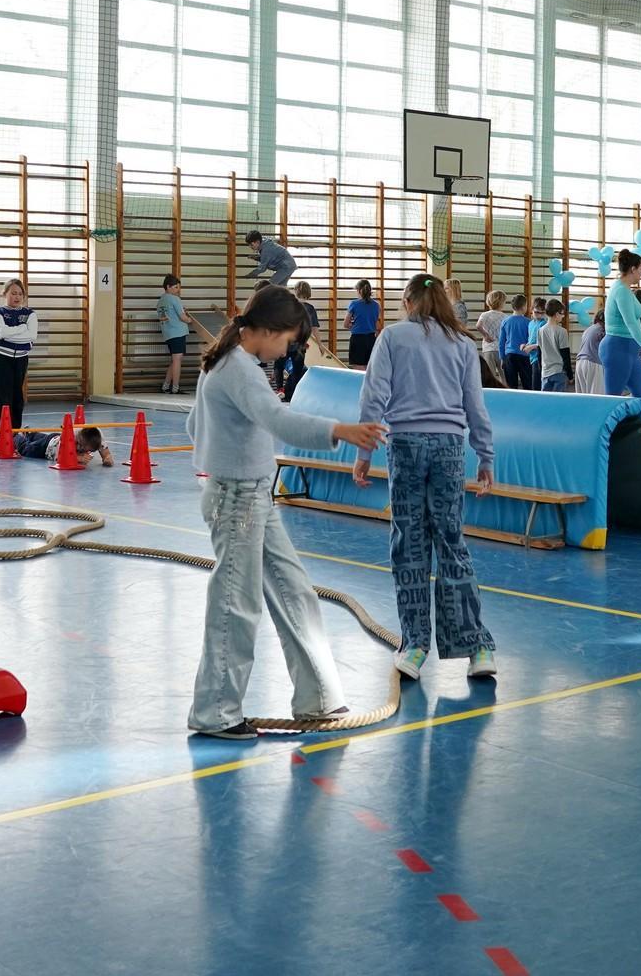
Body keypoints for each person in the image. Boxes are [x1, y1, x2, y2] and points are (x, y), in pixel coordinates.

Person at [187, 285, 384, 739]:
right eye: (288, 340)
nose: (288, 349)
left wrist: (222, 450)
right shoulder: (238, 369)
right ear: (269, 330)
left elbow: (193, 424)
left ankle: (317, 697)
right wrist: (340, 430)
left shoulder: (226, 361)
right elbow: (278, 420)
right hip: (238, 501)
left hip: (252, 495)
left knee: (294, 590)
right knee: (236, 605)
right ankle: (215, 711)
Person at [355, 273, 498, 682]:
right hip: (451, 447)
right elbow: (476, 403)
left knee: (410, 543)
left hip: (406, 446)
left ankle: (416, 645)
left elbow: (374, 395)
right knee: (451, 540)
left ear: (408, 301)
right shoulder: (462, 344)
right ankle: (477, 647)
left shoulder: (393, 338)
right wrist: (486, 454)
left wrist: (364, 451)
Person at [600, 252, 641, 398]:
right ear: (633, 269)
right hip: (617, 348)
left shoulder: (626, 290)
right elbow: (632, 325)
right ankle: (612, 421)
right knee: (613, 398)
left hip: (630, 350)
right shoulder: (621, 291)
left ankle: (634, 421)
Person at [0, 278, 36, 433]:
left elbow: (32, 336)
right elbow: (2, 332)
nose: (17, 297)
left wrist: (11, 334)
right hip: (2, 357)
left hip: (21, 358)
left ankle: (15, 434)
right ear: (5, 294)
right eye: (13, 293)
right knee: (2, 397)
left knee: (17, 397)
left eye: (20, 294)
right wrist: (22, 328)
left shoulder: (30, 314)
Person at [11, 424, 114, 469]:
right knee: (26, 449)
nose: (81, 449)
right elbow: (60, 457)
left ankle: (30, 433)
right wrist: (78, 458)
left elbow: (106, 453)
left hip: (54, 437)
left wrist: (107, 459)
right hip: (48, 448)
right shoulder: (72, 434)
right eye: (80, 445)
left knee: (41, 438)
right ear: (80, 437)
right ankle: (16, 436)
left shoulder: (98, 436)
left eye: (87, 450)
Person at [280, 281, 319, 402]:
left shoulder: (289, 306)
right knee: (297, 371)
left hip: (287, 343)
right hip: (300, 344)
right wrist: (320, 344)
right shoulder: (310, 308)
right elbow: (314, 328)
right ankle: (293, 395)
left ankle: (283, 391)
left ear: (296, 291)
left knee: (283, 367)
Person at [158, 275, 192, 394]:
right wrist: (190, 320)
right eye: (175, 287)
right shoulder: (175, 299)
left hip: (168, 333)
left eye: (178, 287)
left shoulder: (161, 300)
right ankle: (175, 388)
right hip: (177, 333)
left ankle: (166, 386)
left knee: (175, 360)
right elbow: (182, 317)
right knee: (177, 360)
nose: (178, 290)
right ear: (168, 287)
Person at [497, 294, 534, 390]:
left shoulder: (506, 321)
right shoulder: (528, 322)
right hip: (524, 356)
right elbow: (531, 340)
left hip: (510, 355)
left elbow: (501, 342)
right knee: (527, 384)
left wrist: (502, 358)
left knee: (511, 385)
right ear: (523, 307)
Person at [536, 299, 574, 392]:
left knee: (545, 402)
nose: (563, 316)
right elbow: (565, 355)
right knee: (558, 402)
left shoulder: (540, 330)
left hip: (545, 373)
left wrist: (541, 369)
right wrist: (570, 375)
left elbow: (539, 353)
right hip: (559, 372)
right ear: (557, 314)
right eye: (562, 313)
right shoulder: (562, 331)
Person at [473, 292, 508, 383]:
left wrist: (486, 335)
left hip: (488, 348)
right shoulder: (505, 317)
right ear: (502, 303)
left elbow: (478, 326)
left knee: (489, 376)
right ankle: (505, 393)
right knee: (504, 375)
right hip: (501, 349)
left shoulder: (484, 315)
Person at [345, 279, 380, 368]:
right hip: (371, 338)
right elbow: (377, 326)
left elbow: (346, 324)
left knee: (358, 368)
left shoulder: (354, 304)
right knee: (370, 367)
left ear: (358, 291)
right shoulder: (376, 305)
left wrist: (351, 326)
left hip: (358, 339)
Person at [574, 311, 606, 394]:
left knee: (583, 397)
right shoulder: (603, 329)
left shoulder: (590, 328)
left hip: (579, 363)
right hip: (593, 362)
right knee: (596, 397)